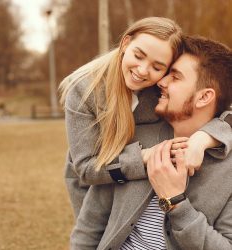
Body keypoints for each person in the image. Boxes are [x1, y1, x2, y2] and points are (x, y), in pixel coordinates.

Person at [59, 17, 232, 217]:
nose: (142, 71)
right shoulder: (83, 90)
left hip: (139, 195)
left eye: (157, 67)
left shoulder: (159, 89)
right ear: (125, 43)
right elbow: (86, 169)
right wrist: (145, 157)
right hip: (93, 191)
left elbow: (225, 109)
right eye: (138, 55)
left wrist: (202, 139)